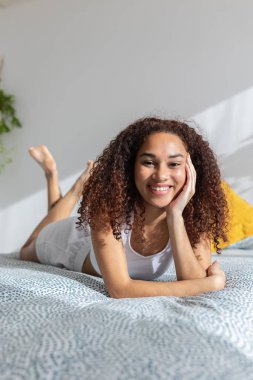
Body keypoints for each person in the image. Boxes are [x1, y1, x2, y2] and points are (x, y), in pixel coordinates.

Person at [20, 117, 228, 298]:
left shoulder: (193, 218)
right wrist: (211, 284)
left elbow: (192, 279)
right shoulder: (107, 212)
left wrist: (175, 217)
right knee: (27, 248)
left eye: (174, 164)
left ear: (190, 170)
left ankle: (63, 181)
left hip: (94, 239)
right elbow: (120, 290)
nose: (161, 175)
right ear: (131, 167)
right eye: (148, 162)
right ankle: (69, 185)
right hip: (69, 243)